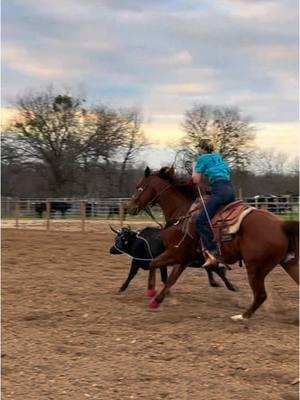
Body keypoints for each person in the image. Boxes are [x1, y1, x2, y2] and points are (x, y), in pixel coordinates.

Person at [192, 139, 235, 267]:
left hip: (219, 190)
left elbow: (195, 180)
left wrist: (194, 167)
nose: (197, 150)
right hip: (230, 190)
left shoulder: (202, 158)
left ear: (203, 148)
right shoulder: (218, 157)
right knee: (219, 217)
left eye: (198, 147)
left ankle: (213, 253)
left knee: (201, 220)